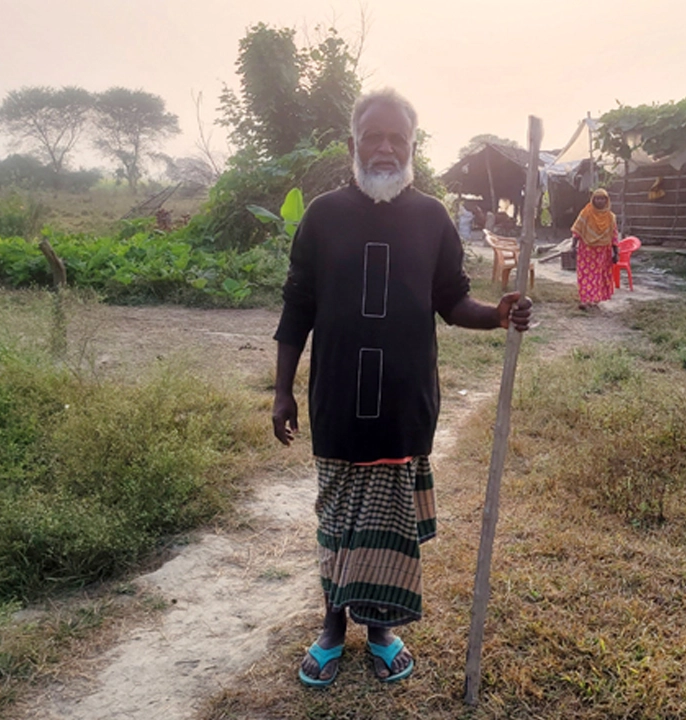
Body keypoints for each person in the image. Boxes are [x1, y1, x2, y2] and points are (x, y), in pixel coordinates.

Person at [272, 88, 532, 688]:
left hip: (405, 404)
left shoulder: (431, 217)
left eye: (398, 139)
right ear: (353, 144)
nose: (385, 148)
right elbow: (297, 307)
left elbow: (451, 300)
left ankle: (382, 628)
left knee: (390, 524)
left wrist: (496, 313)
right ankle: (333, 627)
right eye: (374, 136)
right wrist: (283, 391)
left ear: (413, 147)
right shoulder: (322, 215)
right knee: (338, 520)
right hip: (337, 402)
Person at [571, 188, 619, 310]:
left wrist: (616, 253)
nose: (600, 201)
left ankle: (595, 300)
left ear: (607, 200)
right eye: (597, 198)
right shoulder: (586, 213)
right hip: (587, 249)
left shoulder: (611, 217)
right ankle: (585, 300)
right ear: (593, 199)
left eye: (602, 198)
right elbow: (577, 230)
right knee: (586, 275)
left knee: (599, 276)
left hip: (603, 252)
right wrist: (573, 246)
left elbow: (614, 235)